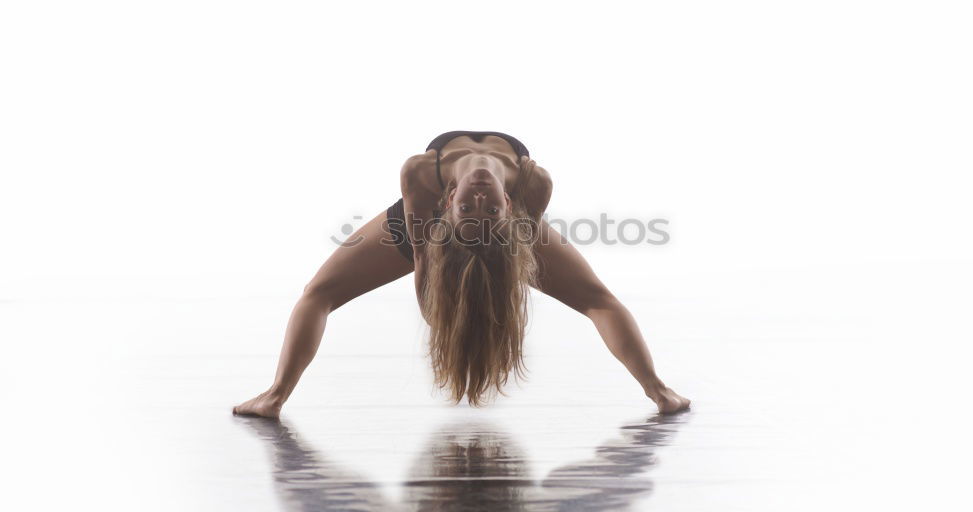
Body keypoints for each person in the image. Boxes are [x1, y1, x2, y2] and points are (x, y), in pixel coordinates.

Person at [232, 131, 690, 418]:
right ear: (446, 199)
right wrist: (443, 313)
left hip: (503, 237)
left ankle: (658, 390)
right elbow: (422, 261)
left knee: (597, 298)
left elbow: (513, 257)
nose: (480, 198)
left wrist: (490, 287)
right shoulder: (418, 175)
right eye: (474, 205)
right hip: (425, 234)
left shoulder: (535, 187)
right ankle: (275, 395)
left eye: (484, 207)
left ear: (509, 207)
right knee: (320, 291)